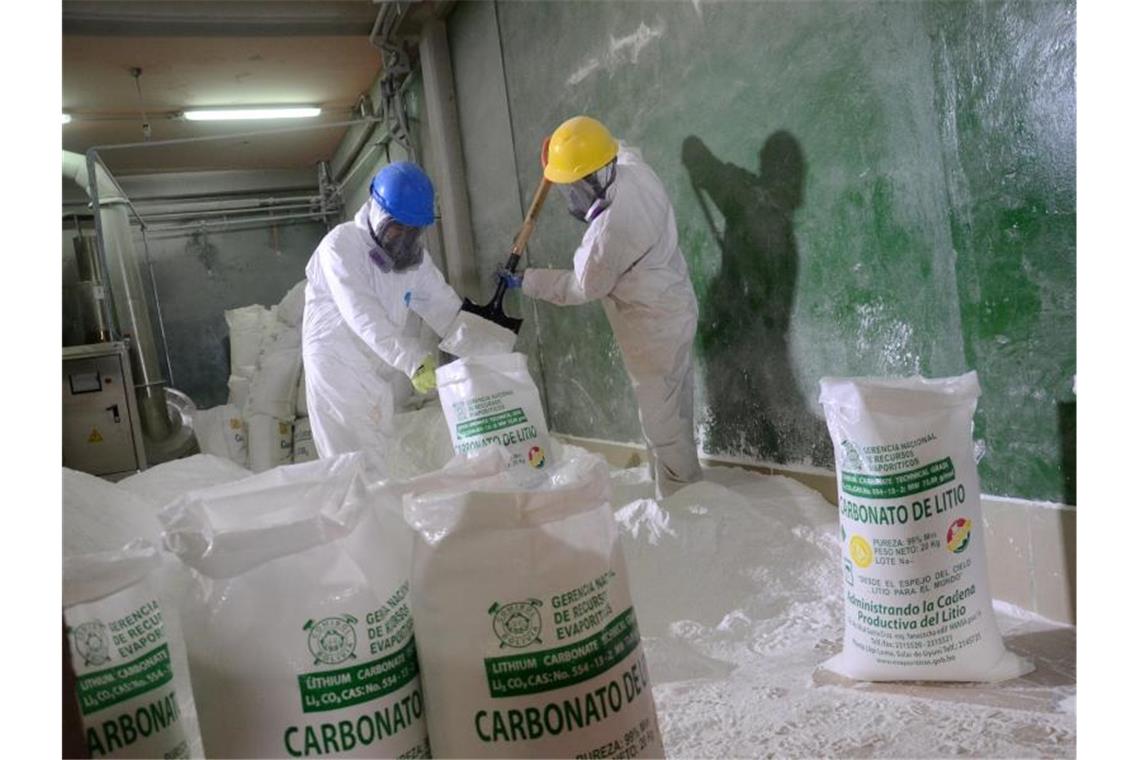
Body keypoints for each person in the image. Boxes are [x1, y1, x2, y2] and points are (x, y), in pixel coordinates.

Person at [504, 116, 703, 498]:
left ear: (592, 179)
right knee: (674, 410)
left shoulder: (608, 234)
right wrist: (561, 152)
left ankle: (686, 503)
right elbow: (612, 144)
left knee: (663, 426)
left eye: (573, 187)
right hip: (675, 305)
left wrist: (526, 279)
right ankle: (671, 487)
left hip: (653, 329)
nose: (572, 197)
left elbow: (580, 287)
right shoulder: (630, 168)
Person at [302, 161, 461, 462]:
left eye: (412, 230)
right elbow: (362, 313)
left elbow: (445, 307)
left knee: (379, 459)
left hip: (374, 370)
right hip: (337, 368)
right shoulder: (341, 245)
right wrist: (412, 360)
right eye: (396, 227)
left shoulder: (415, 261)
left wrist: (485, 346)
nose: (403, 238)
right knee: (351, 466)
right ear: (376, 210)